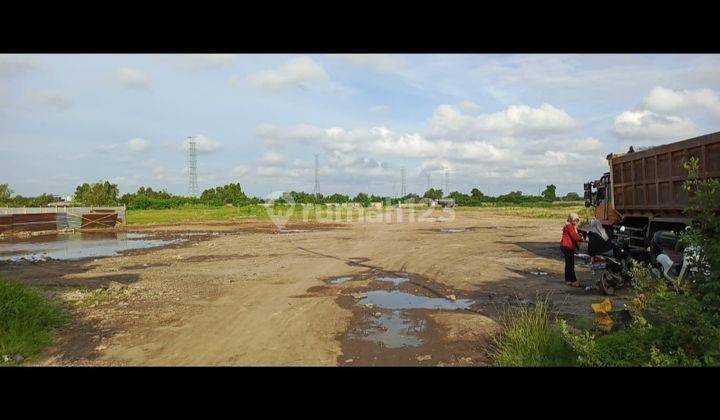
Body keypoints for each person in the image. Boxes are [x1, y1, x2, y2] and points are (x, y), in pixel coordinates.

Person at [561, 212, 586, 287]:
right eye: (574, 220)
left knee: (568, 264)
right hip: (567, 247)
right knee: (570, 265)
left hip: (567, 247)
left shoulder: (571, 226)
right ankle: (573, 280)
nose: (576, 222)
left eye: (577, 220)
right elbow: (575, 236)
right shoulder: (569, 226)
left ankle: (568, 280)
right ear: (570, 220)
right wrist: (583, 239)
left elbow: (577, 233)